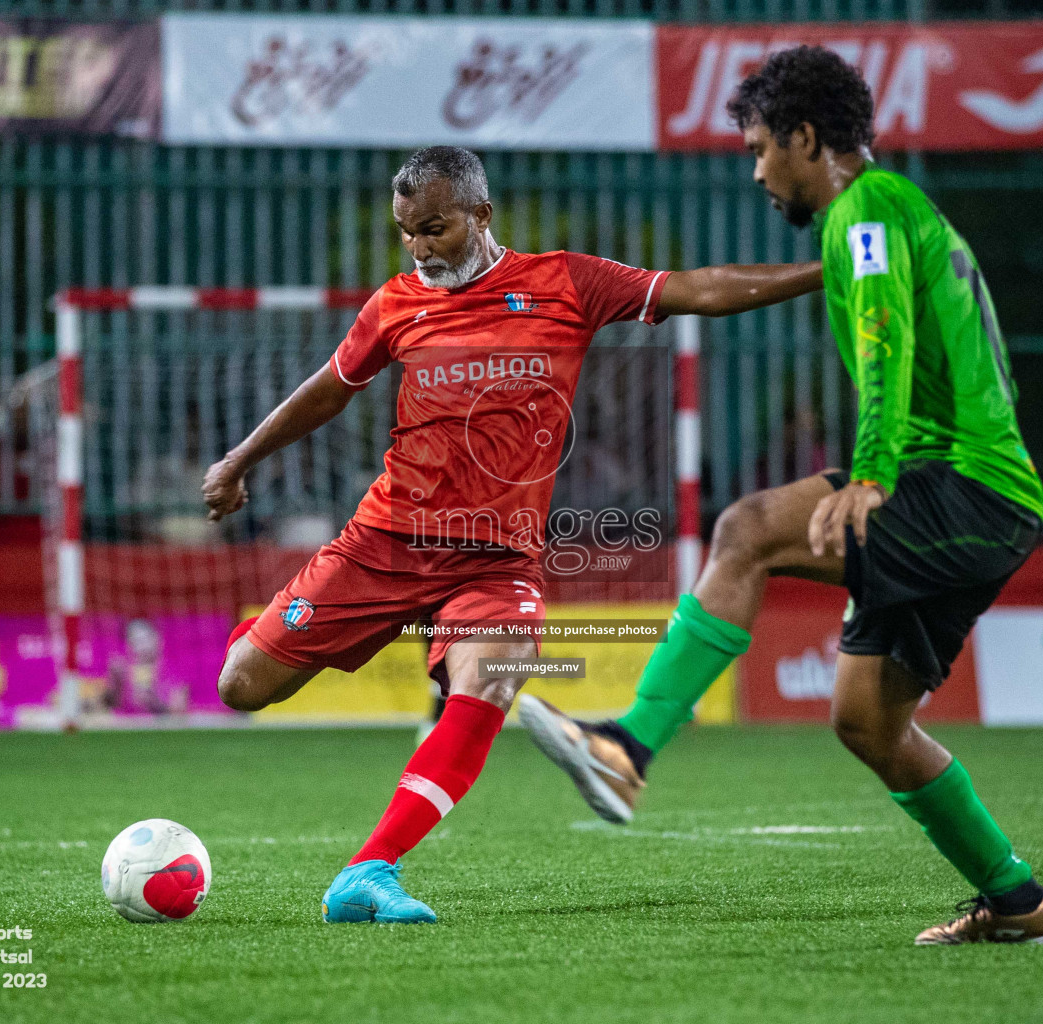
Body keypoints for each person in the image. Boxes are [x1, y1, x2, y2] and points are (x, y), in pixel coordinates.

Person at [518, 47, 1043, 945]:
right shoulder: (890, 213)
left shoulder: (864, 211)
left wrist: (872, 474)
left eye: (759, 148)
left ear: (807, 139)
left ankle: (628, 747)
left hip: (960, 486)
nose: (756, 171)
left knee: (746, 531)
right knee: (866, 721)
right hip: (983, 496)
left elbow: (885, 342)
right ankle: (1021, 902)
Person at [202, 146, 824, 924]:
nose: (421, 248)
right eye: (408, 233)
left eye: (434, 228)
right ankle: (271, 629)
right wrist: (239, 459)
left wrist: (824, 272)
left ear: (482, 215)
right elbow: (330, 390)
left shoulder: (565, 282)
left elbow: (697, 289)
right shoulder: (395, 304)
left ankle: (369, 870)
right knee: (241, 687)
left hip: (496, 565)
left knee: (491, 677)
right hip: (385, 543)